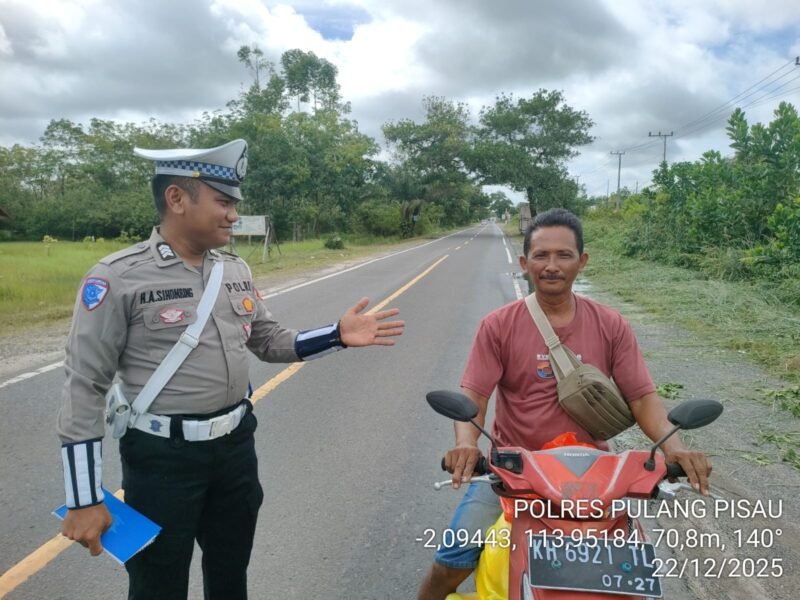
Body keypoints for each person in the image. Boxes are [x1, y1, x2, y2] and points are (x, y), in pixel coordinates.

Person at [56, 139, 405, 600]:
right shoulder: (118, 277)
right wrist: (84, 497)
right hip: (163, 460)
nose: (233, 215)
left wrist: (337, 334)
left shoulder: (235, 269)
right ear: (177, 199)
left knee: (230, 574)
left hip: (236, 450)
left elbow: (267, 339)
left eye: (234, 204)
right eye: (222, 202)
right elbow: (85, 384)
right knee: (158, 585)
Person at [417, 208, 712, 600]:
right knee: (453, 558)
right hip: (515, 473)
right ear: (525, 263)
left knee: (626, 571)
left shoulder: (611, 324)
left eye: (563, 255)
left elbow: (642, 398)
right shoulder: (498, 325)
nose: (551, 266)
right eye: (540, 256)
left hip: (592, 478)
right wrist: (468, 445)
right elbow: (475, 398)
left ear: (582, 261)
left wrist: (677, 450)